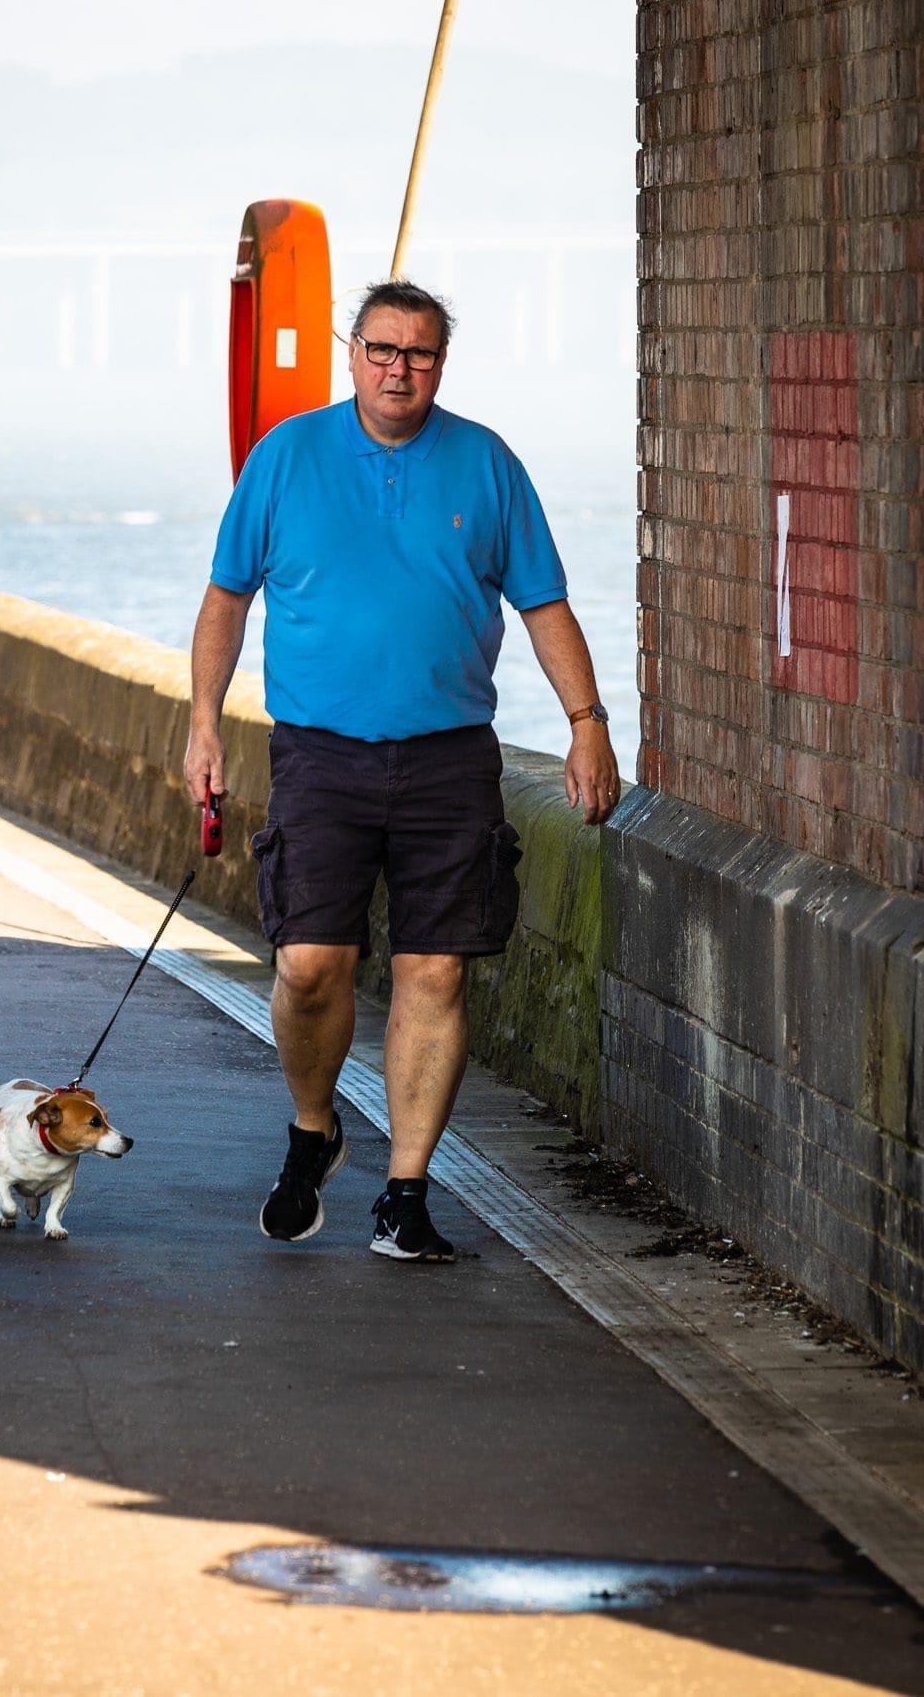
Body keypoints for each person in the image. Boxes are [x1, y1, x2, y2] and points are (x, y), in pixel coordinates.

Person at [184, 279, 620, 1263]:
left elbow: (544, 604)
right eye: (382, 350)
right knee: (307, 967)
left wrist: (587, 722)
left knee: (435, 970)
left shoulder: (486, 464)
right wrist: (202, 724)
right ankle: (314, 1126)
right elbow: (224, 599)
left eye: (418, 355)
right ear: (352, 353)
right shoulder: (287, 457)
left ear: (440, 364)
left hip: (448, 759)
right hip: (319, 754)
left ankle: (405, 1193)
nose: (398, 370)